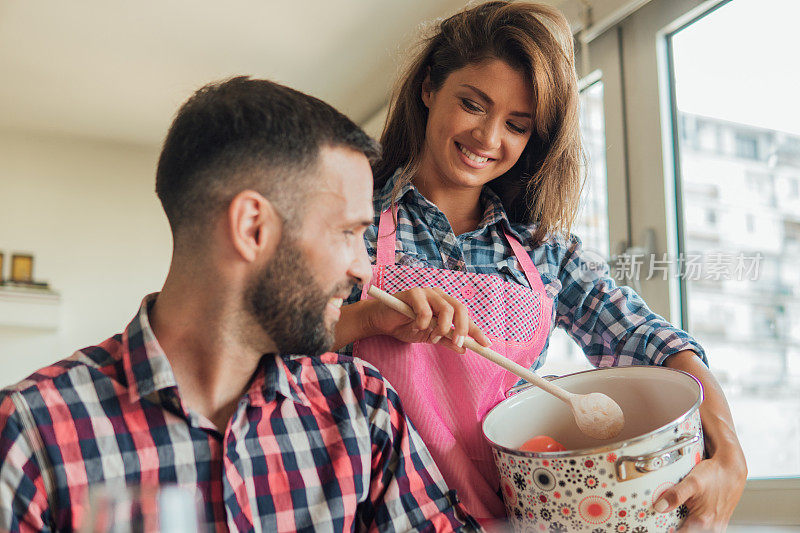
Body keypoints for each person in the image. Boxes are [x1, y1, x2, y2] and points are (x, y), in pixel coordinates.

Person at [332, 1, 747, 529]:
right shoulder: (352, 217)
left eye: (517, 125)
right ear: (429, 86)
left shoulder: (545, 251)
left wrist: (730, 454)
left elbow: (654, 341)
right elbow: (269, 338)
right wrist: (368, 320)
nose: (488, 138)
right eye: (473, 104)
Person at [0, 77, 480, 532]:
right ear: (253, 227)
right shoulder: (30, 432)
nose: (364, 268)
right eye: (348, 233)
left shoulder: (363, 408)